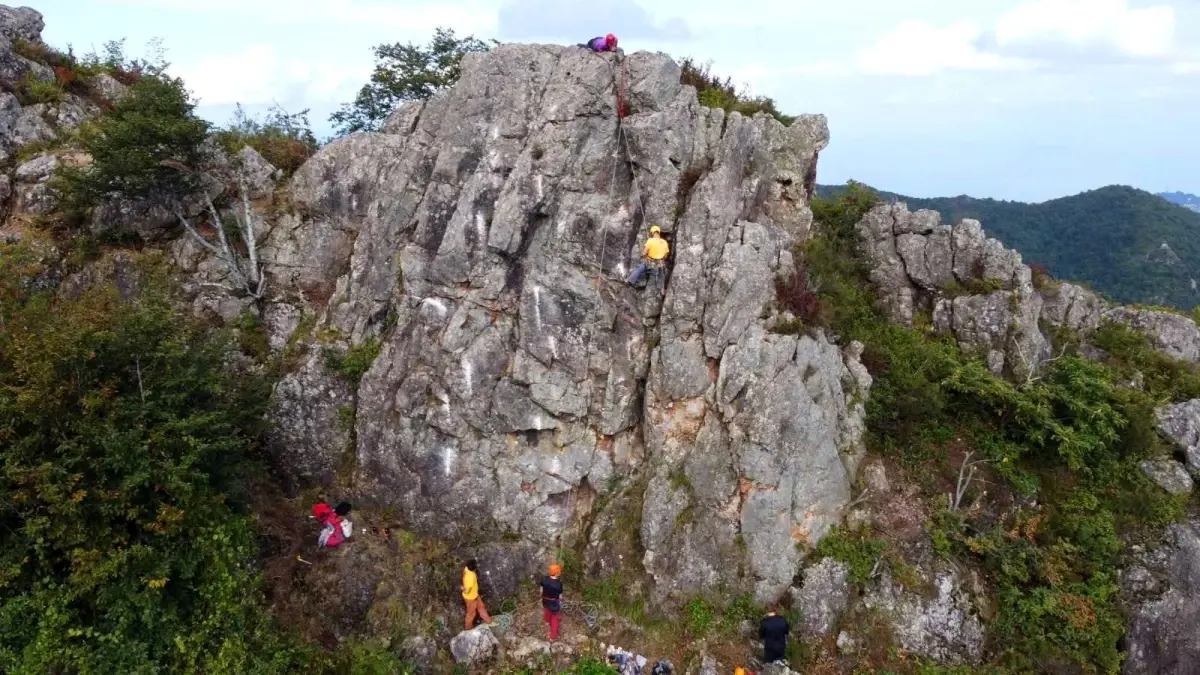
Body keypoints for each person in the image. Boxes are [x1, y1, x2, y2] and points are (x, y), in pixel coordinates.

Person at [626, 225, 670, 295]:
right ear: (658, 232)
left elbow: (644, 253)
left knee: (640, 268)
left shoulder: (650, 241)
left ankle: (630, 280)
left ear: (652, 233)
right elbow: (665, 255)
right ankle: (661, 290)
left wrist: (645, 255)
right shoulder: (664, 242)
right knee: (661, 275)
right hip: (659, 264)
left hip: (650, 262)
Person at [462, 559, 492, 630]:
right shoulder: (471, 577)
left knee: (481, 607)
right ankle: (468, 628)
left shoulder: (466, 569)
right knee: (471, 614)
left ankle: (489, 622)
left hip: (475, 595)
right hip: (471, 598)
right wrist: (463, 589)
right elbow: (467, 591)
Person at [541, 562, 565, 641]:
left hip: (545, 600)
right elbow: (560, 595)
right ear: (557, 573)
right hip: (554, 603)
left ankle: (547, 620)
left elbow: (541, 590)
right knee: (555, 619)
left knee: (547, 610)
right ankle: (553, 637)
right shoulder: (559, 584)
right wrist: (561, 600)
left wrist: (543, 596)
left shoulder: (544, 580)